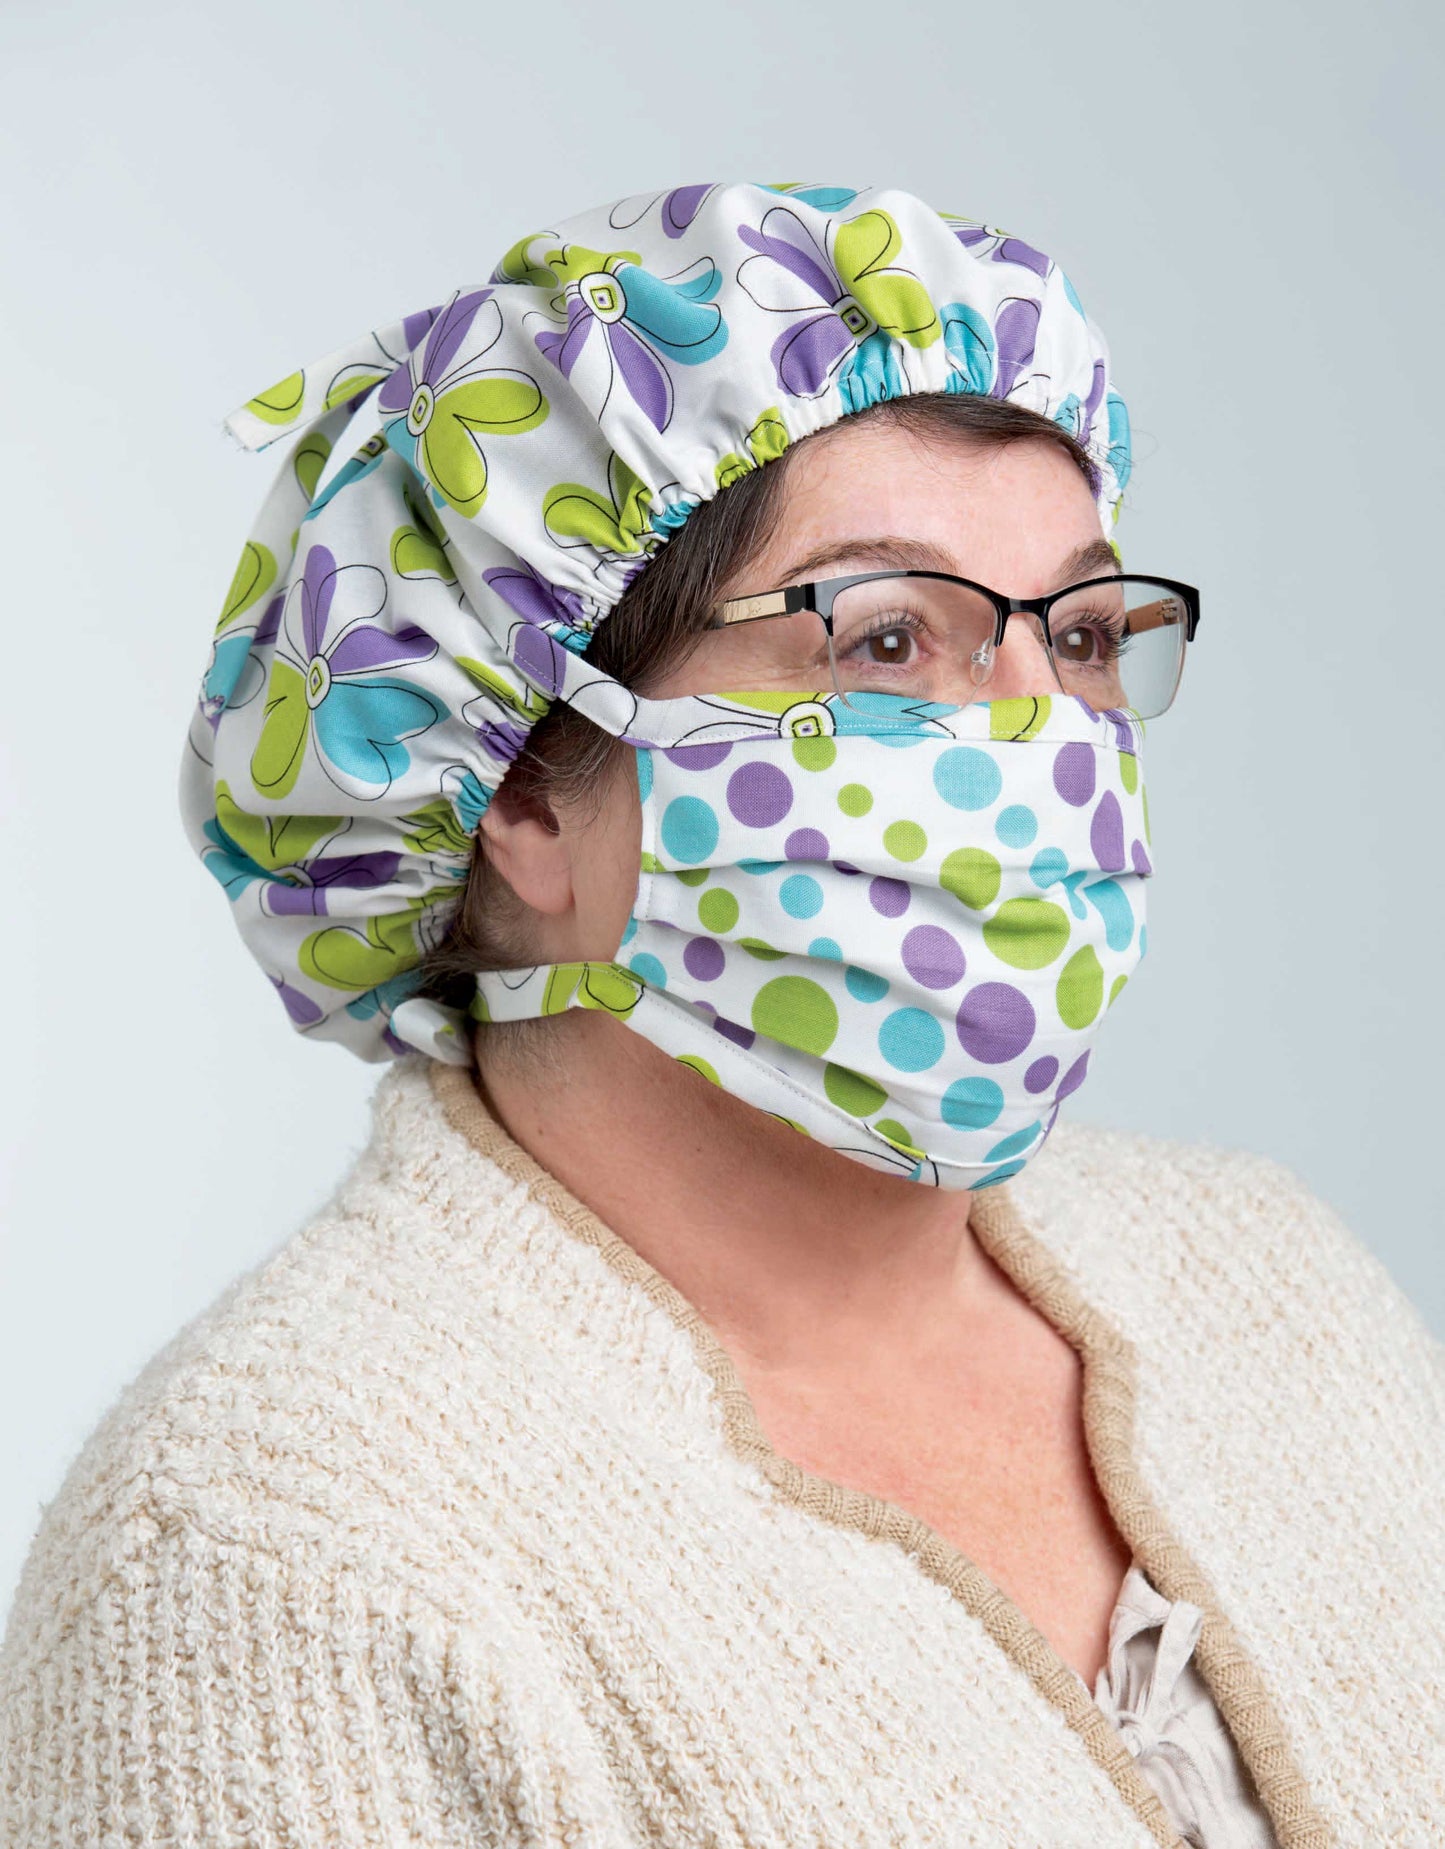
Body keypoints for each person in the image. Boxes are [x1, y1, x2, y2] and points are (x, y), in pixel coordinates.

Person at [1, 181, 1440, 1848]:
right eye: (888, 638)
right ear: (528, 791)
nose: (1049, 740)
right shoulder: (273, 1553)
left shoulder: (1274, 1283)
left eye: (1087, 631)